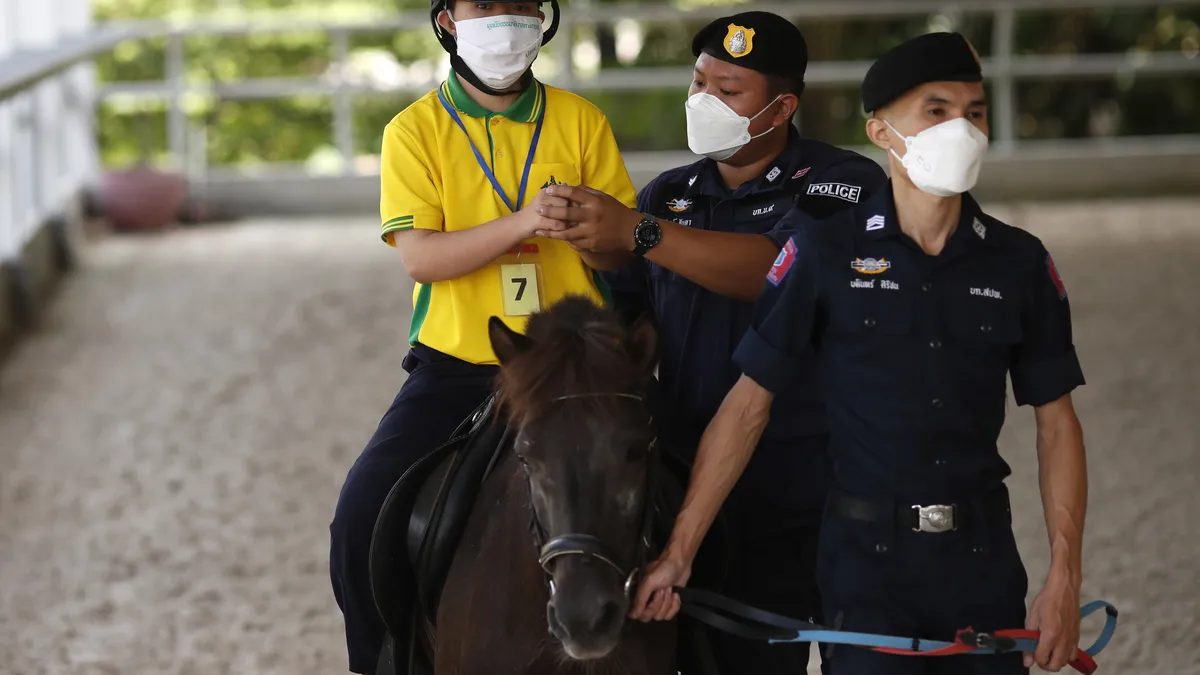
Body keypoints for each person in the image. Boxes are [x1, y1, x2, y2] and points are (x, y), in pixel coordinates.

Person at [630, 31, 1089, 675]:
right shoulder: (823, 254)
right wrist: (680, 551)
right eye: (936, 111)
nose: (961, 128)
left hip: (981, 561)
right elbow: (747, 406)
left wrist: (1064, 575)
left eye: (975, 111)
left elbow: (1057, 424)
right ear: (881, 132)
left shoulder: (1021, 263)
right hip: (864, 563)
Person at [532, 10, 887, 674]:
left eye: (730, 91)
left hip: (830, 493)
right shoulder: (668, 196)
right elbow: (624, 335)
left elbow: (778, 271)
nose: (706, 101)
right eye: (701, 82)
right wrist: (591, 249)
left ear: (782, 107)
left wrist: (639, 234)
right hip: (706, 498)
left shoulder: (846, 184)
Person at [327, 1, 638, 672]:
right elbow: (422, 259)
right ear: (447, 22)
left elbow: (618, 255)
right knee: (359, 512)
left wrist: (595, 228)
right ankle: (380, 658)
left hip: (574, 365)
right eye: (486, 5)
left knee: (682, 487)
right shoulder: (413, 130)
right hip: (461, 366)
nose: (508, 17)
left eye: (524, 4)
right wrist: (525, 220)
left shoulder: (581, 119)